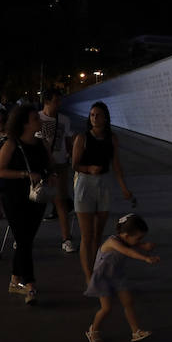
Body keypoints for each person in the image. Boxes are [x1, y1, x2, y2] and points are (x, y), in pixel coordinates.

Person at [0, 104, 56, 305]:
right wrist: (25, 174)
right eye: (35, 119)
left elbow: (50, 166)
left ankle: (14, 279)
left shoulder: (42, 144)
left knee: (26, 240)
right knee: (23, 240)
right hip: (14, 197)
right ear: (25, 123)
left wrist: (51, 176)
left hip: (36, 198)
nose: (39, 121)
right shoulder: (12, 144)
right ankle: (30, 284)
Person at [72, 101, 134, 284]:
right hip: (85, 184)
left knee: (98, 233)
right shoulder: (82, 138)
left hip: (104, 183)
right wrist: (88, 168)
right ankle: (88, 275)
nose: (94, 118)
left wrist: (123, 187)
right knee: (87, 235)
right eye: (91, 115)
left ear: (105, 118)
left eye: (98, 115)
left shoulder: (111, 138)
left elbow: (116, 165)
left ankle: (97, 268)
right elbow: (74, 164)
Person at [84, 213, 159, 342]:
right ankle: (93, 330)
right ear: (126, 236)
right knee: (106, 308)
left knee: (128, 302)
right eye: (139, 238)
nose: (139, 240)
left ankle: (136, 331)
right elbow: (128, 251)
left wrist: (144, 246)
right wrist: (145, 258)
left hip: (117, 275)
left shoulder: (126, 240)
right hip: (103, 278)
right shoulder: (112, 242)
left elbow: (133, 245)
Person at [37, 88, 77, 252]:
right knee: (35, 201)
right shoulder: (36, 118)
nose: (59, 104)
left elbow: (68, 141)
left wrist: (71, 159)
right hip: (39, 165)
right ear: (47, 101)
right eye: (56, 101)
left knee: (61, 201)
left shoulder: (64, 119)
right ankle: (25, 236)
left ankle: (66, 238)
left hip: (60, 165)